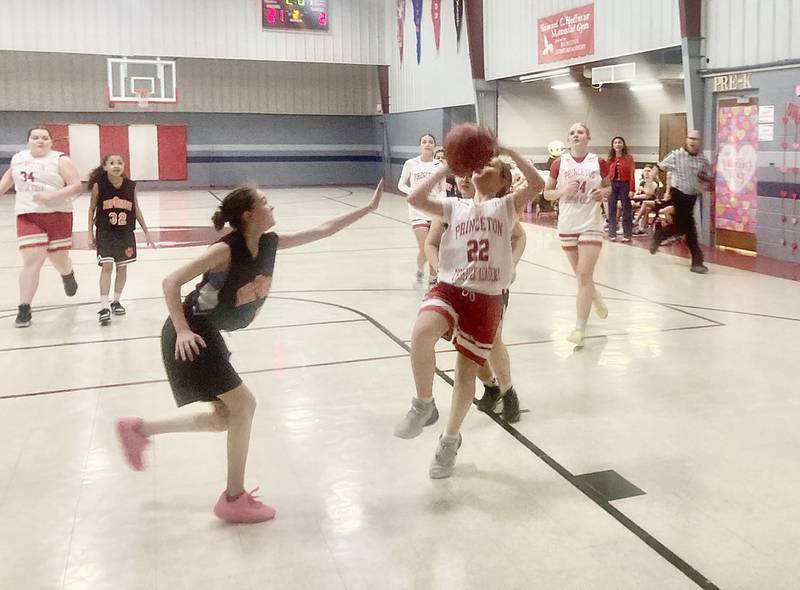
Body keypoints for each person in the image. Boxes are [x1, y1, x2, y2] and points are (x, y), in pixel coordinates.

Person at [116, 180, 384, 523]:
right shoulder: (225, 251)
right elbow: (171, 282)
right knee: (244, 406)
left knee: (225, 418)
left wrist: (368, 209)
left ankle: (139, 430)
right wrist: (182, 329)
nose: (272, 207)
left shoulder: (269, 243)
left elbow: (322, 229)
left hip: (207, 333)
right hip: (191, 335)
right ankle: (233, 498)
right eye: (266, 202)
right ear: (249, 214)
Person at [394, 145, 543, 479]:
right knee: (420, 333)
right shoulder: (452, 206)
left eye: (489, 165)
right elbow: (415, 198)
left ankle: (450, 439)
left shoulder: (506, 207)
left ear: (503, 180)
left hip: (487, 297)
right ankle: (423, 404)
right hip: (449, 288)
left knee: (466, 373)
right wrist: (443, 167)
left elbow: (535, 185)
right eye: (476, 165)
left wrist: (508, 152)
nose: (479, 168)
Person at [424, 174, 527, 422]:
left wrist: (510, 265)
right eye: (461, 175)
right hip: (455, 288)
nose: (465, 180)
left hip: (490, 286)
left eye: (471, 175)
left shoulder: (496, 209)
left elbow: (519, 237)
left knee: (492, 340)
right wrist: (440, 271)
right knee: (466, 345)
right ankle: (491, 386)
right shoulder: (448, 208)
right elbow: (430, 244)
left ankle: (508, 391)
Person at [0, 128, 82, 328]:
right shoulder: (18, 158)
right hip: (28, 215)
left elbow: (76, 186)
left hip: (58, 215)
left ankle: (67, 273)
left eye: (45, 138)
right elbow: (9, 179)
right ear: (28, 141)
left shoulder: (61, 160)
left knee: (59, 259)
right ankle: (24, 307)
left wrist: (51, 197)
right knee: (32, 261)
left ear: (51, 142)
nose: (40, 141)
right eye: (35, 137)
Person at [543, 123, 611, 348]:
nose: (575, 135)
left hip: (591, 222)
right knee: (582, 277)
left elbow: (608, 188)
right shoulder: (558, 163)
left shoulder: (598, 162)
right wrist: (563, 191)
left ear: (588, 137)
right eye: (571, 132)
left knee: (583, 275)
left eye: (580, 132)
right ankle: (595, 295)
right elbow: (547, 194)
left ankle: (579, 328)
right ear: (568, 139)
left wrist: (604, 193)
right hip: (567, 223)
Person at [87, 154, 156, 325]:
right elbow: (91, 210)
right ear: (105, 167)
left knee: (122, 268)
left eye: (119, 162)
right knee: (107, 266)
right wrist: (90, 233)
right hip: (105, 233)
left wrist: (146, 231)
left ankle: (116, 301)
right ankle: (104, 307)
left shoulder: (130, 186)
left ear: (124, 165)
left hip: (125, 233)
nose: (116, 165)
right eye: (112, 163)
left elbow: (136, 209)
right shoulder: (99, 185)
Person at [649, 130, 712, 273]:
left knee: (681, 227)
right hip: (678, 193)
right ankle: (697, 262)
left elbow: (706, 178)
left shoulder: (702, 160)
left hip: (692, 196)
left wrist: (705, 185)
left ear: (699, 142)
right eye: (690, 138)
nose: (693, 141)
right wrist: (649, 182)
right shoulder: (676, 155)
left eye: (696, 139)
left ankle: (660, 235)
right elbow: (658, 167)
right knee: (690, 228)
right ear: (686, 139)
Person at [398, 134, 445, 286]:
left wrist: (440, 201)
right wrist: (413, 193)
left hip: (434, 210)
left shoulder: (439, 165)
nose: (427, 144)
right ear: (420, 145)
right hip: (417, 210)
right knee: (424, 247)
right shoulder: (411, 163)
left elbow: (443, 189)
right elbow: (401, 185)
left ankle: (433, 280)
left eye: (430, 142)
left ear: (434, 146)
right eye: (424, 142)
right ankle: (420, 268)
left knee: (434, 247)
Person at [606, 136, 636, 242]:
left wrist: (632, 189)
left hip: (625, 185)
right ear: (613, 145)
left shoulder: (629, 158)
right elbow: (606, 175)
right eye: (615, 143)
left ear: (623, 145)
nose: (617, 144)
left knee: (626, 209)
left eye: (619, 142)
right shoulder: (610, 159)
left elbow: (632, 174)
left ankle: (627, 234)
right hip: (612, 185)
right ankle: (612, 233)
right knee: (611, 209)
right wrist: (605, 188)